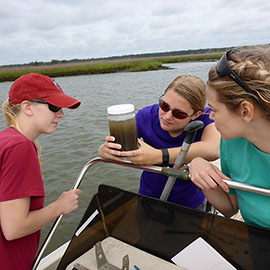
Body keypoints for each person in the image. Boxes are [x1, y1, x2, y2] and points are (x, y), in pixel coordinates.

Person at [99, 74, 220, 210]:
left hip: (190, 203)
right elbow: (121, 146)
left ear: (196, 115)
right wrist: (106, 151)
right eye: (164, 105)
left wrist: (158, 155)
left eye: (179, 114)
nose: (167, 116)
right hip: (148, 197)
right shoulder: (146, 116)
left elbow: (213, 148)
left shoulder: (207, 117)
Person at [0, 73, 82, 269]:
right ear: (27, 107)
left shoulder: (6, 140)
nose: (61, 114)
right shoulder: (20, 147)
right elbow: (14, 228)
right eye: (54, 107)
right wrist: (60, 207)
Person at [189, 48, 270, 229]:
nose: (210, 116)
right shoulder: (232, 141)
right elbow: (230, 207)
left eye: (214, 109)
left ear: (245, 111)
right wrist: (198, 166)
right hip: (256, 242)